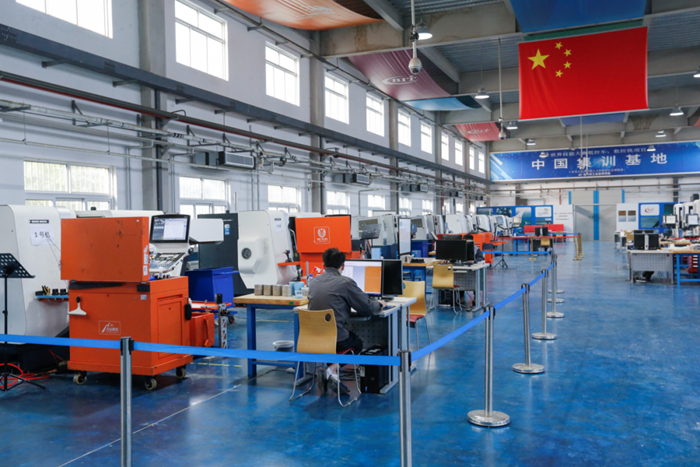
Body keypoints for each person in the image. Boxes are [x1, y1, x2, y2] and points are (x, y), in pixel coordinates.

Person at [308, 248, 386, 394]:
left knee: (335, 341)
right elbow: (368, 308)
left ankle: (332, 375)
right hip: (336, 339)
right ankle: (331, 370)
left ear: (323, 265)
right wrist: (380, 304)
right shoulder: (346, 283)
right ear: (343, 266)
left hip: (313, 338)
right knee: (357, 343)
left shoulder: (313, 282)